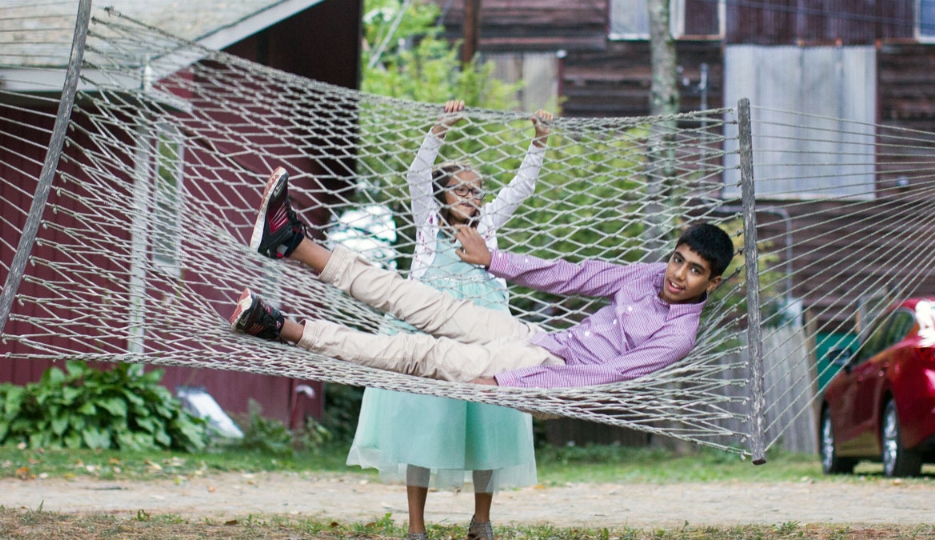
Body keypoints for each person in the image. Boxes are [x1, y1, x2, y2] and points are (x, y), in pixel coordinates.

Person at [231, 133, 734, 390]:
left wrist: (508, 382)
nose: (677, 274)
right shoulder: (648, 277)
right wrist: (494, 260)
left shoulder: (677, 335)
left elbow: (608, 377)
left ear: (710, 285)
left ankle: (282, 329)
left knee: (421, 354)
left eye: (694, 271)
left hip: (546, 370)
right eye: (678, 259)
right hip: (539, 340)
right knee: (415, 298)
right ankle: (290, 242)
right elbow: (572, 275)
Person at [346, 100, 553, 540]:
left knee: (490, 418)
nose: (469, 196)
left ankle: (482, 520)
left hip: (481, 329)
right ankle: (417, 527)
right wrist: (440, 128)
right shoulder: (428, 227)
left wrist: (539, 142)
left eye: (476, 189)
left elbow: (521, 187)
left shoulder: (489, 225)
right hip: (426, 325)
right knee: (419, 419)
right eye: (459, 188)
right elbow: (416, 176)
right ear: (442, 195)